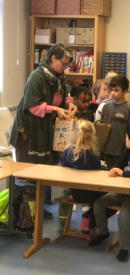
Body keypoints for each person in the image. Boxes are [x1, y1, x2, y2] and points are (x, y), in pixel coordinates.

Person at [9, 44, 76, 225]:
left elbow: (64, 93)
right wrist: (56, 109)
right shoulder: (36, 77)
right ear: (52, 58)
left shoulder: (58, 76)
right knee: (27, 172)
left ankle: (36, 208)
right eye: (63, 64)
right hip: (29, 131)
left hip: (44, 128)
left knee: (41, 169)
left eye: (67, 65)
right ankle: (22, 215)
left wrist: (69, 103)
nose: (65, 68)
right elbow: (32, 106)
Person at [90, 124, 130, 262]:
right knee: (99, 203)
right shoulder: (128, 150)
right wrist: (115, 169)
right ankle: (103, 232)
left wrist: (122, 173)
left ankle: (123, 248)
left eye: (126, 137)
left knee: (124, 213)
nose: (125, 139)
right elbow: (118, 163)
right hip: (122, 192)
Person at [60, 120, 105, 234]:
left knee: (64, 193)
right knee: (105, 197)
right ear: (91, 138)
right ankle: (88, 218)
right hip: (89, 194)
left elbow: (63, 168)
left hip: (72, 191)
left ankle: (63, 223)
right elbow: (98, 172)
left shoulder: (67, 152)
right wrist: (104, 167)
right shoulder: (91, 156)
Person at [99, 75, 130, 168]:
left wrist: (126, 150)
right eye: (111, 90)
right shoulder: (106, 107)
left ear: (125, 91)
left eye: (116, 90)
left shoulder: (128, 108)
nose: (113, 93)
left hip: (120, 152)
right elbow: (101, 129)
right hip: (106, 150)